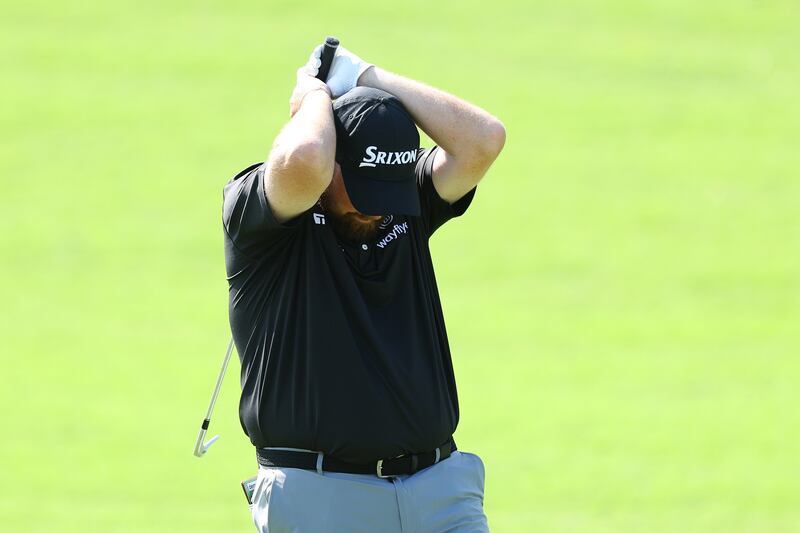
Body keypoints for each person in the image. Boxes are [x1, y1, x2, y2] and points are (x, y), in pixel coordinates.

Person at [222, 42, 505, 533]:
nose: (376, 209)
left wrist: (366, 76)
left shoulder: (402, 203)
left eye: (387, 190)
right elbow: (305, 156)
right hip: (320, 499)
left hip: (440, 492)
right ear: (334, 160)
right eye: (362, 188)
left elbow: (483, 140)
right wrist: (313, 96)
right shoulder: (265, 217)